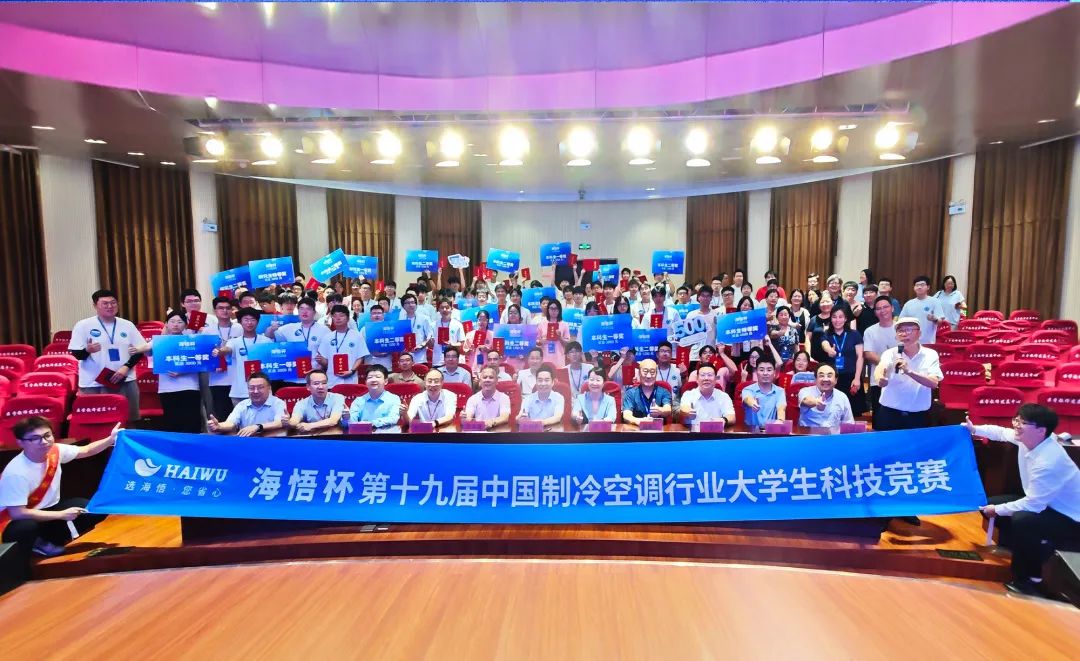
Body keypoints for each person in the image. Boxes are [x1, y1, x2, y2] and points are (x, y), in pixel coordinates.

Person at [964, 405, 1080, 596]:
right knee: (990, 503)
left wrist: (997, 509)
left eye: (1023, 422)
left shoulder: (1048, 462)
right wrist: (974, 429)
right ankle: (1014, 547)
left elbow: (1033, 505)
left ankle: (1028, 579)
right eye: (1016, 420)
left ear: (1041, 430)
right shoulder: (1030, 439)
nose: (1016, 425)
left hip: (1070, 517)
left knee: (1022, 520)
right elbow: (1000, 432)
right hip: (1046, 504)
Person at [0, 417, 117, 567]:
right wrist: (61, 515)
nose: (44, 442)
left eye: (47, 435)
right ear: (21, 442)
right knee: (26, 527)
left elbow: (86, 450)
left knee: (93, 509)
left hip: (47, 510)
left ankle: (49, 540)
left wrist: (110, 439)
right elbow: (18, 513)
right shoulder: (16, 473)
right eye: (35, 438)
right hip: (14, 521)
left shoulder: (54, 451)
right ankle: (33, 547)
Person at [68, 289, 151, 422]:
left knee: (129, 420)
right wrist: (87, 350)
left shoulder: (127, 325)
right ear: (95, 306)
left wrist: (126, 367)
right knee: (96, 422)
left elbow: (140, 350)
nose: (110, 306)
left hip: (125, 379)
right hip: (93, 383)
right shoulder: (83, 325)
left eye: (113, 303)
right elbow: (77, 354)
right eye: (105, 303)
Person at [874, 317, 942, 430]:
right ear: (896, 336)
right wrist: (880, 378)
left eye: (909, 330)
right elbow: (881, 368)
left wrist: (909, 372)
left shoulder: (930, 355)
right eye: (900, 331)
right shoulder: (889, 353)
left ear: (919, 333)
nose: (904, 334)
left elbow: (933, 383)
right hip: (890, 413)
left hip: (918, 416)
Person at [155, 311, 204, 433]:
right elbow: (148, 353)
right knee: (172, 423)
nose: (175, 324)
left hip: (189, 386)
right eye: (172, 321)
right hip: (167, 388)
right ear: (166, 324)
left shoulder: (192, 341)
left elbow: (202, 362)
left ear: (186, 325)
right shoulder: (160, 341)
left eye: (179, 322)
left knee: (191, 423)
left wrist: (183, 371)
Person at [214, 307, 272, 405]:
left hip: (262, 392)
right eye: (246, 319)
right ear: (240, 322)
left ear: (257, 322)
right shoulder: (234, 341)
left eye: (252, 320)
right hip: (239, 392)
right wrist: (220, 351)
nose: (249, 323)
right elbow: (228, 349)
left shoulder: (266, 341)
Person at [207, 371, 287, 437]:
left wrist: (258, 427)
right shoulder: (242, 405)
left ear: (269, 388)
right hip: (246, 444)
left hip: (271, 443)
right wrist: (219, 426)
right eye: (251, 388)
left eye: (260, 387)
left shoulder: (278, 403)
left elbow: (280, 423)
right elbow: (231, 423)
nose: (255, 391)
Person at [272, 297, 330, 386]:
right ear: (298, 311)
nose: (304, 312)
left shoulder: (324, 330)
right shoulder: (287, 328)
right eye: (301, 309)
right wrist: (270, 329)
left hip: (314, 378)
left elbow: (329, 354)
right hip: (292, 378)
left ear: (314, 312)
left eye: (308, 309)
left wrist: (323, 363)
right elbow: (271, 340)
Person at [202, 295, 241, 419]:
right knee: (222, 415)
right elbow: (204, 354)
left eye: (228, 308)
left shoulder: (239, 328)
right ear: (215, 311)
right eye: (221, 308)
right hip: (217, 380)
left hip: (237, 379)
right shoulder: (208, 331)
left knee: (240, 416)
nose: (225, 311)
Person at [820, 307, 865, 415]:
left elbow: (860, 357)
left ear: (845, 319)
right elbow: (824, 344)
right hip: (833, 380)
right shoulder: (827, 334)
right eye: (834, 317)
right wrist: (829, 350)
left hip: (851, 378)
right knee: (833, 412)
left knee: (853, 413)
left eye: (840, 317)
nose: (837, 320)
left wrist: (857, 378)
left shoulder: (854, 334)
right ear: (831, 318)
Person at [861, 296, 898, 423]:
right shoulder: (870, 331)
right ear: (875, 312)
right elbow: (869, 354)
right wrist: (888, 365)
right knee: (880, 417)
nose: (882, 311)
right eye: (878, 308)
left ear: (892, 308)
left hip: (900, 379)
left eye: (885, 307)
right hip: (878, 379)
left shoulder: (901, 329)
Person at [315, 304, 366, 387]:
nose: (338, 318)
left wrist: (352, 371)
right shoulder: (327, 337)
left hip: (351, 380)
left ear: (348, 318)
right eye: (335, 316)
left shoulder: (357, 336)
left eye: (341, 315)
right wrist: (321, 360)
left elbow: (360, 357)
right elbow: (326, 362)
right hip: (332, 381)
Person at [344, 365, 402, 433]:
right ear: (366, 382)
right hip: (364, 435)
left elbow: (393, 418)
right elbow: (352, 424)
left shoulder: (394, 398)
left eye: (378, 377)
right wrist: (347, 418)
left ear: (386, 381)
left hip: (387, 435)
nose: (373, 380)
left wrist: (371, 424)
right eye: (370, 377)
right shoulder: (359, 400)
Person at [287, 369, 345, 434]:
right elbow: (295, 420)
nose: (321, 387)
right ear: (308, 387)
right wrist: (288, 422)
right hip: (312, 435)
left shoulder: (338, 398)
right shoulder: (301, 404)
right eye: (316, 383)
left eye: (324, 383)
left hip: (332, 435)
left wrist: (310, 426)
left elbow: (333, 420)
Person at [679, 363, 735, 431]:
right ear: (697, 379)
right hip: (694, 434)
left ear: (715, 379)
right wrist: (688, 412)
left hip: (716, 433)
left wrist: (724, 420)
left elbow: (732, 417)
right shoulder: (688, 395)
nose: (706, 378)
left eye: (710, 375)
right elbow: (684, 408)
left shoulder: (724, 396)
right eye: (702, 375)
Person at [797, 364, 854, 429]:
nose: (825, 379)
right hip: (809, 434)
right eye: (821, 376)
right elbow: (805, 400)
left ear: (836, 380)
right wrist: (816, 402)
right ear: (815, 379)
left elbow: (848, 423)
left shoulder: (842, 397)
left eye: (829, 376)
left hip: (834, 434)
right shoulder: (805, 391)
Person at [621, 359, 673, 426]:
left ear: (656, 374)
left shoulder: (664, 392)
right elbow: (626, 415)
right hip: (636, 430)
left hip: (659, 430)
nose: (649, 376)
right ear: (639, 373)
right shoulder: (630, 393)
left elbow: (668, 409)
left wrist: (660, 410)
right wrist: (638, 421)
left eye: (652, 372)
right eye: (645, 372)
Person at [741, 356, 786, 429]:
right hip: (751, 432)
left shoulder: (780, 391)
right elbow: (748, 399)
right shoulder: (747, 390)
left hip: (771, 431)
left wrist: (780, 421)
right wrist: (753, 403)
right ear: (756, 372)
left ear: (774, 372)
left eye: (769, 370)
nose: (765, 373)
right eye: (761, 370)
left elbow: (781, 408)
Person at [900, 275, 947, 344]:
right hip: (911, 342)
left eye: (922, 285)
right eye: (917, 285)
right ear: (914, 288)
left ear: (928, 287)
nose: (919, 287)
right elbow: (901, 321)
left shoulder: (934, 301)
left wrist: (935, 319)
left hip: (928, 342)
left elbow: (940, 322)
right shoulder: (908, 304)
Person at [462, 365, 512, 429]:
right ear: (480, 381)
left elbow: (505, 417)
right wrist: (464, 418)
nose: (487, 380)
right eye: (485, 377)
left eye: (491, 377)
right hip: (478, 431)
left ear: (497, 381)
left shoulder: (504, 398)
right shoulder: (472, 399)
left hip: (498, 432)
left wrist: (490, 422)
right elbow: (468, 417)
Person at [398, 293, 435, 365]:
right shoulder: (401, 320)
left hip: (420, 357)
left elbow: (430, 336)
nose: (411, 305)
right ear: (403, 306)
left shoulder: (424, 318)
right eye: (408, 303)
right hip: (405, 358)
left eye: (413, 302)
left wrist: (421, 346)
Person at [684, 286, 718, 365]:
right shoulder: (691, 315)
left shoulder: (716, 314)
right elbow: (686, 337)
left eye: (708, 296)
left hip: (711, 355)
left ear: (711, 298)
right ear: (698, 297)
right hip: (695, 356)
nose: (705, 298)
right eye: (703, 296)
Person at [357, 305, 393, 370]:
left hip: (386, 362)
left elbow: (395, 343)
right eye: (374, 313)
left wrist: (388, 351)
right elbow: (360, 346)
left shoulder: (390, 328)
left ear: (383, 315)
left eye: (379, 313)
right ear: (370, 316)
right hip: (370, 362)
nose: (377, 315)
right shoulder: (364, 329)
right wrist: (371, 352)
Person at [432, 297, 466, 366]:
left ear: (451, 309)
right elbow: (431, 344)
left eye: (447, 307)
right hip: (437, 360)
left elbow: (462, 343)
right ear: (438, 309)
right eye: (442, 308)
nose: (444, 310)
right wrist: (430, 341)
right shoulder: (433, 325)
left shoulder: (457, 324)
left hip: (452, 360)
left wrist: (452, 345)